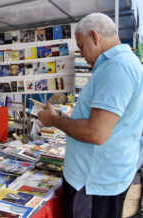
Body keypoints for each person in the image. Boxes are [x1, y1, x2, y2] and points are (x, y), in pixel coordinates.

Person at [38, 13, 143, 218]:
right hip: (100, 181)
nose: (82, 54)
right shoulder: (119, 64)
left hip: (93, 186)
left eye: (81, 46)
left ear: (95, 36)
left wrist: (53, 121)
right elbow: (100, 119)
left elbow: (96, 132)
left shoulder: (117, 67)